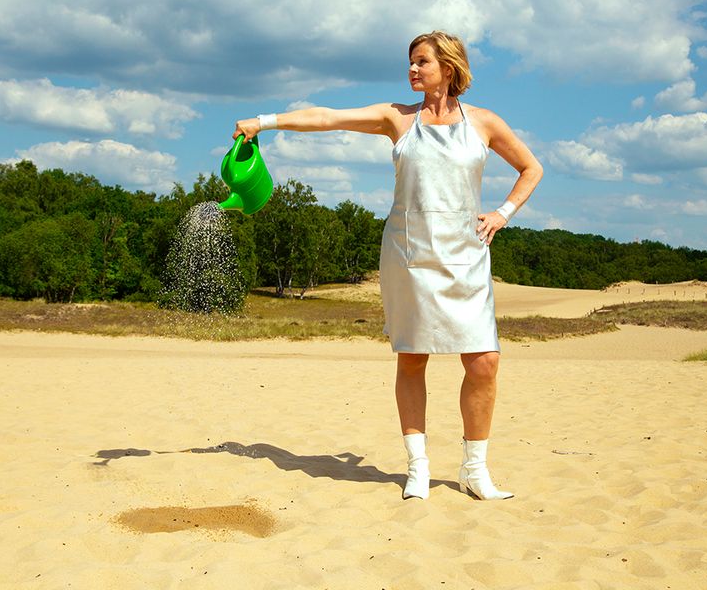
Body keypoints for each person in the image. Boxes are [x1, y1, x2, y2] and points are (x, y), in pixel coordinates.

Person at [233, 31, 544, 501]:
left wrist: (503, 213)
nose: (413, 70)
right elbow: (327, 117)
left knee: (484, 361)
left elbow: (531, 168)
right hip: (409, 252)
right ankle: (417, 468)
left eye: (422, 62)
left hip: (466, 253)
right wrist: (264, 121)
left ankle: (475, 469)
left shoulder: (484, 123)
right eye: (410, 63)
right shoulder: (396, 119)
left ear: (449, 66)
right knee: (413, 357)